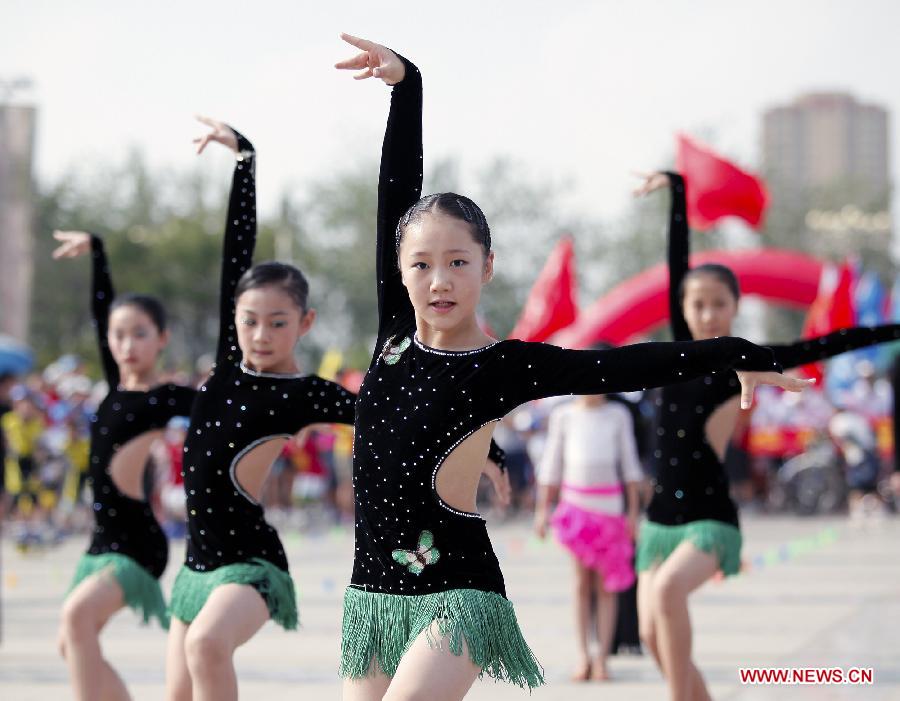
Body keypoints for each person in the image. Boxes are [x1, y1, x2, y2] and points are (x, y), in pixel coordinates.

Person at [336, 35, 807, 700]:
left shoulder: (503, 366)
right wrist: (406, 87)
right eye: (421, 263)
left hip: (457, 591)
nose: (439, 279)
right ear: (400, 268)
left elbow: (630, 365)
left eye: (459, 261)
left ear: (488, 266)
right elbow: (396, 195)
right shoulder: (391, 336)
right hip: (372, 594)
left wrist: (735, 351)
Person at [633, 170, 900, 701]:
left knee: (668, 595)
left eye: (719, 304)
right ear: (683, 310)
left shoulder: (744, 361)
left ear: (735, 308)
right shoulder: (674, 357)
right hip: (659, 523)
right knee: (651, 638)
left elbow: (831, 342)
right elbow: (677, 263)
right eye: (697, 304)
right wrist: (680, 191)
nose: (707, 312)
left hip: (709, 521)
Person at [164, 117, 358, 701]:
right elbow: (236, 255)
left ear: (305, 324)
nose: (262, 333)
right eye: (249, 320)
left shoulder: (303, 393)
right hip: (194, 570)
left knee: (207, 647)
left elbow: (392, 412)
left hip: (250, 568)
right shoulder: (227, 368)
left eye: (278, 322)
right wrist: (244, 159)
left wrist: (486, 446)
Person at [51, 229, 197, 701]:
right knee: (70, 643)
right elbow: (101, 310)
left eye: (140, 334)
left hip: (136, 544)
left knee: (77, 622)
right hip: (101, 542)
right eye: (119, 335)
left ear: (161, 339)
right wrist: (96, 251)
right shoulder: (115, 385)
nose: (127, 344)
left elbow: (224, 406)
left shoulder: (167, 397)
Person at [534, 392, 643, 681]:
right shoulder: (564, 415)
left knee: (607, 585)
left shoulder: (618, 414)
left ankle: (602, 657)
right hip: (575, 507)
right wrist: (542, 510)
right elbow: (551, 464)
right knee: (581, 583)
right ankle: (583, 655)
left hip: (610, 507)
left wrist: (633, 512)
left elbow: (629, 463)